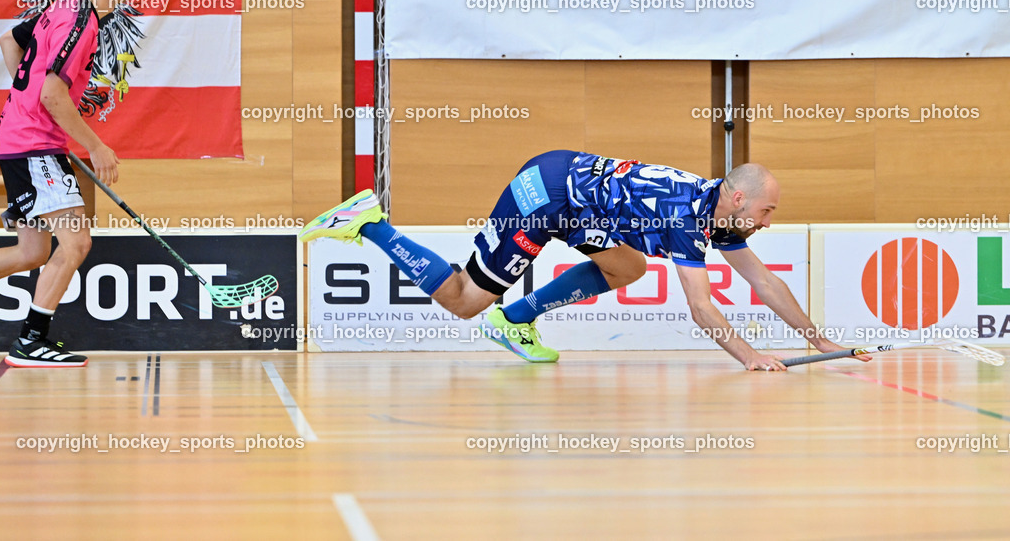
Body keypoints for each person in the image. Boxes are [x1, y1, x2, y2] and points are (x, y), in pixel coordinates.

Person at [300, 150, 869, 370]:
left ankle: (516, 318)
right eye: (767, 211)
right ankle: (370, 222)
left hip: (577, 200)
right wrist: (750, 356)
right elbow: (701, 307)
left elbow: (763, 281)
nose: (768, 223)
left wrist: (817, 338)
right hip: (546, 195)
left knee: (629, 267)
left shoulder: (715, 211)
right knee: (464, 300)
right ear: (740, 198)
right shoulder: (684, 215)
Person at [0, 0, 140, 367]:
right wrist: (96, 146)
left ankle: (30, 342)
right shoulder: (81, 19)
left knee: (31, 252)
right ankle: (30, 342)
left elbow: (9, 41)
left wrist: (26, 105)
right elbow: (52, 92)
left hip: (22, 141)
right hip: (34, 146)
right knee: (75, 242)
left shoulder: (63, 8)